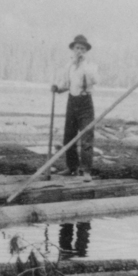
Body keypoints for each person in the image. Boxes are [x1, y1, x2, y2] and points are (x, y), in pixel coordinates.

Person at [51, 35, 98, 182]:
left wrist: (82, 64)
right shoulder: (69, 66)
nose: (79, 51)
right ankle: (72, 167)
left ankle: (86, 170)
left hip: (85, 103)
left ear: (86, 51)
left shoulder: (90, 65)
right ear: (73, 49)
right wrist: (57, 88)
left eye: (82, 49)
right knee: (68, 136)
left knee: (86, 138)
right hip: (72, 102)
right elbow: (66, 84)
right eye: (77, 48)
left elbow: (94, 80)